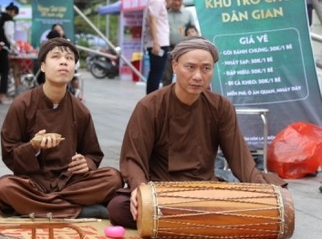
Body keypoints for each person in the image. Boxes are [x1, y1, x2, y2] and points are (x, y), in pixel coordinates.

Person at [107, 37, 286, 228]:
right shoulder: (150, 106)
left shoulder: (221, 107)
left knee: (254, 203)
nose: (198, 76)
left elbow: (240, 159)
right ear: (175, 66)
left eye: (206, 69)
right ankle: (200, 221)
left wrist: (265, 194)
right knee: (119, 208)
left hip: (204, 190)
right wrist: (139, 190)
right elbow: (133, 158)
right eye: (190, 67)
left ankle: (182, 221)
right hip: (160, 192)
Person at [0, 38, 123, 219]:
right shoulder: (22, 104)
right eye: (56, 56)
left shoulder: (80, 109)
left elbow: (93, 154)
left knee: (114, 178)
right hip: (33, 181)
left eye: (69, 58)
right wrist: (33, 147)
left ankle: (41, 207)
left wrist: (86, 163)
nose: (64, 61)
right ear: (43, 66)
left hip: (69, 181)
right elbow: (9, 153)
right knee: (3, 188)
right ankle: (78, 211)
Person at [143, 0, 178, 94]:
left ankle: (151, 98)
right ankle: (151, 98)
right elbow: (152, 21)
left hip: (160, 42)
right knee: (156, 73)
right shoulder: (157, 0)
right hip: (158, 43)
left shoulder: (158, 0)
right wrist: (156, 43)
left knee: (157, 72)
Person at [162, 0, 197, 86]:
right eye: (175, 0)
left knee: (184, 76)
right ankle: (167, 99)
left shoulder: (188, 14)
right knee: (167, 77)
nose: (177, 3)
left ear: (182, 0)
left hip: (183, 50)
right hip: (168, 49)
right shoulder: (165, 14)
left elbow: (193, 30)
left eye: (179, 0)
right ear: (171, 0)